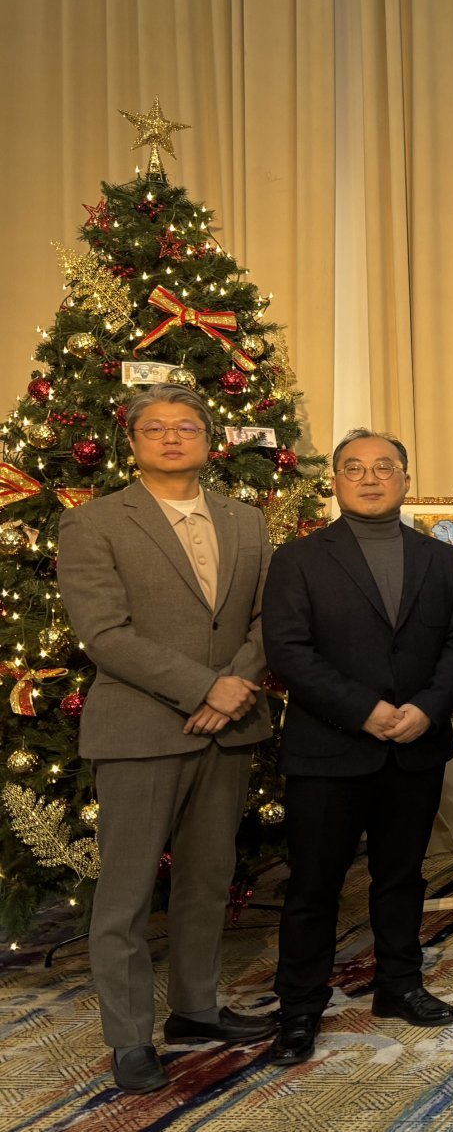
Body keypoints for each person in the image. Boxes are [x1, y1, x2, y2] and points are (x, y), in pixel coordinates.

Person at [57, 383, 276, 1094]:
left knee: (208, 881)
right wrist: (200, 686)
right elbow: (105, 633)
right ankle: (128, 1036)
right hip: (142, 729)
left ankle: (195, 1008)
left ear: (210, 440)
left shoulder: (246, 520)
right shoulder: (94, 523)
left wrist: (236, 683)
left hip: (230, 725)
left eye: (187, 426)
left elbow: (269, 620)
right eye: (157, 427)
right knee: (123, 895)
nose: (173, 436)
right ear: (133, 441)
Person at [262, 429, 453, 1065]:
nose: (370, 477)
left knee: (401, 878)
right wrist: (366, 710)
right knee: (314, 886)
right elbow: (289, 652)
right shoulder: (298, 559)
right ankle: (300, 1007)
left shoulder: (439, 560)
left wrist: (425, 709)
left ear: (406, 480)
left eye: (384, 467)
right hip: (328, 750)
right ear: (336, 481)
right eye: (354, 468)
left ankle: (399, 985)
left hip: (414, 745)